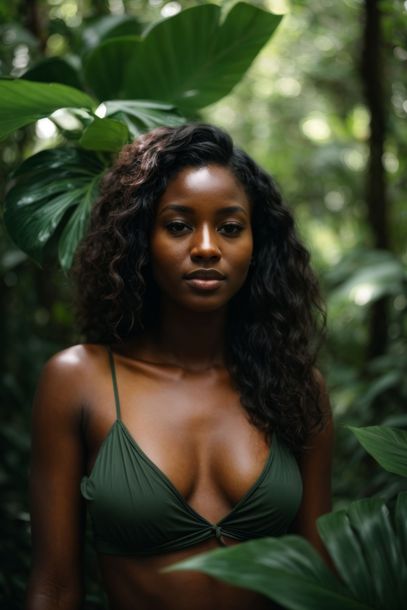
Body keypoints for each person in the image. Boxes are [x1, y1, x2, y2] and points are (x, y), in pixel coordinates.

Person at [26, 123, 333, 610]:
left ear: (258, 245)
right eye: (178, 225)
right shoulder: (78, 380)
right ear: (140, 239)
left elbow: (321, 579)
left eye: (230, 227)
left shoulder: (296, 387)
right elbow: (56, 587)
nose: (207, 247)